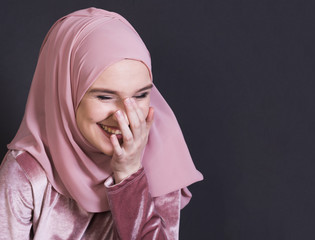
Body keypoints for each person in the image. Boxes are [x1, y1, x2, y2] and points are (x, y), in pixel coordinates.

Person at [0, 7, 202, 239]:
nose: (124, 115)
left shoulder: (159, 155)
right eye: (105, 96)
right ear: (65, 94)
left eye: (140, 95)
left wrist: (129, 174)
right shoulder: (27, 172)